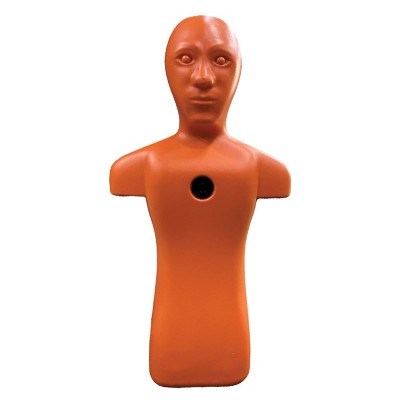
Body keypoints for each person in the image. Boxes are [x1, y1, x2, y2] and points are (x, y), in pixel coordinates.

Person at [110, 15, 290, 387]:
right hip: (171, 348)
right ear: (166, 69)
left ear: (239, 71)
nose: (203, 77)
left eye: (221, 59)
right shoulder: (140, 166)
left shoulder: (263, 169)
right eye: (186, 59)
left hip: (229, 347)